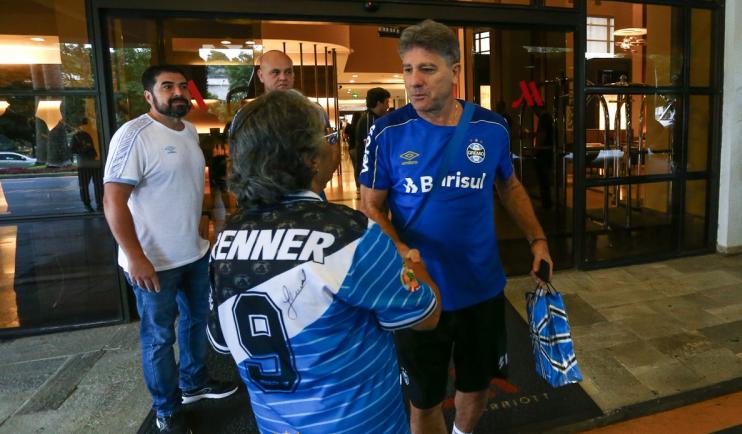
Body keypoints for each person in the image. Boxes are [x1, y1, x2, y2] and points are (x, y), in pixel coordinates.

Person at [207, 90, 441, 434]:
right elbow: (424, 314)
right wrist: (409, 261)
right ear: (309, 159)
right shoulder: (348, 233)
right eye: (328, 136)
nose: (334, 144)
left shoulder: (225, 241)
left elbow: (221, 342)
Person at [359, 20, 553, 434]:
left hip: (480, 288)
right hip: (418, 293)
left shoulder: (491, 127)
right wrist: (400, 250)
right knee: (423, 399)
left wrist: (538, 240)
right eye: (408, 69)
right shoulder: (386, 132)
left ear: (455, 71)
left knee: (477, 386)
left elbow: (509, 186)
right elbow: (371, 206)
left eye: (427, 69)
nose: (414, 80)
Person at [103, 65, 237, 434]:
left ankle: (194, 382)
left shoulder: (189, 130)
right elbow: (113, 201)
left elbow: (186, 189)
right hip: (153, 262)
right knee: (159, 338)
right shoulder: (134, 135)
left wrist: (204, 228)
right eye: (167, 87)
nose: (178, 92)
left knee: (196, 322)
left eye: (182, 86)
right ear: (149, 95)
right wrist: (135, 257)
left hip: (193, 253)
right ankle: (166, 409)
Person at [353, 87, 391, 188]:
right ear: (379, 103)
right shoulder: (369, 120)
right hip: (371, 172)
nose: (388, 106)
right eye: (386, 102)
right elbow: (370, 147)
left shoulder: (377, 119)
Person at [69, 118, 103, 212]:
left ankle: (91, 204)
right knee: (94, 184)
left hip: (88, 163)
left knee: (88, 185)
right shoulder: (80, 135)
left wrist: (82, 150)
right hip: (92, 162)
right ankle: (96, 204)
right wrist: (84, 149)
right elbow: (72, 149)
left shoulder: (79, 135)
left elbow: (72, 149)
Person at [534, 108, 555, 209]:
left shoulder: (544, 118)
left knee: (543, 180)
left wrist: (535, 150)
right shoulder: (549, 118)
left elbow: (542, 135)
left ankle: (546, 204)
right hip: (548, 153)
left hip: (543, 154)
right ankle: (547, 203)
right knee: (545, 180)